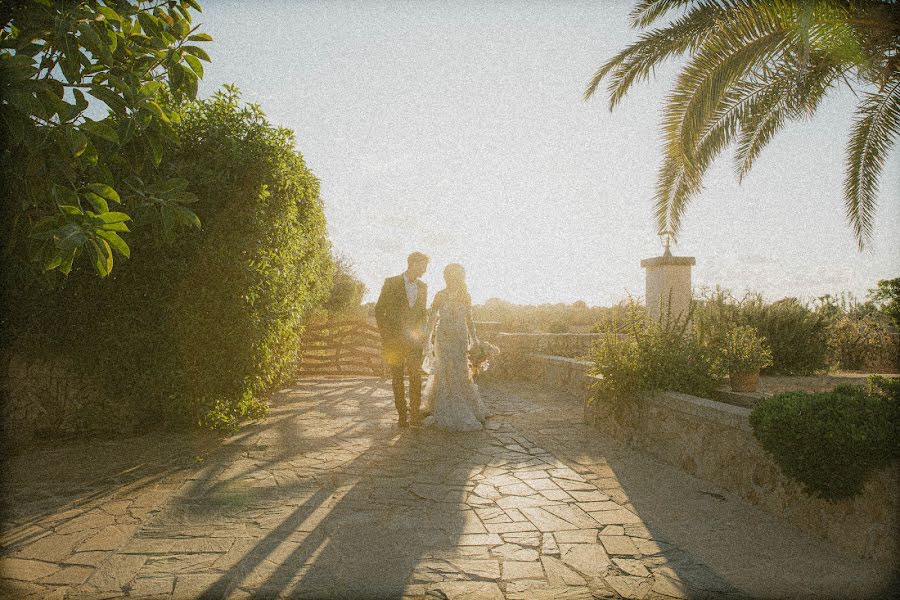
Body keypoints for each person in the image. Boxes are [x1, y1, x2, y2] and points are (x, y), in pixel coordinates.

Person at [421, 263, 488, 431]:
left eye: (457, 275)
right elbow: (432, 319)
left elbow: (469, 320)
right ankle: (441, 407)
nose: (454, 278)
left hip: (459, 339)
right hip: (443, 339)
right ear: (446, 277)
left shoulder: (465, 296)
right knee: (444, 371)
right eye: (451, 275)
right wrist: (427, 339)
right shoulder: (439, 295)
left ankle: (465, 407)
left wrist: (474, 340)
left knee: (460, 371)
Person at [374, 252, 430, 428]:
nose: (425, 269)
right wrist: (386, 336)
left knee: (416, 377)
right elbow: (378, 310)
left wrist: (422, 336)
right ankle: (402, 416)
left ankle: (414, 415)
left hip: (414, 342)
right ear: (413, 263)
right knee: (397, 378)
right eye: (423, 265)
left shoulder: (423, 287)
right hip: (394, 342)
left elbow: (422, 315)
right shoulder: (391, 283)